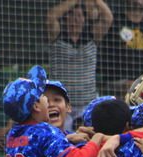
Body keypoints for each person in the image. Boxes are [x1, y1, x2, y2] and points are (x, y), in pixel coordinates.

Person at [47, 0, 114, 130]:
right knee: (64, 139)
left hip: (87, 103)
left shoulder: (92, 36)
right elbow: (51, 17)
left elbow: (108, 18)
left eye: (80, 16)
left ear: (84, 19)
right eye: (72, 15)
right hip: (62, 103)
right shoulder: (57, 36)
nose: (76, 20)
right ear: (65, 19)